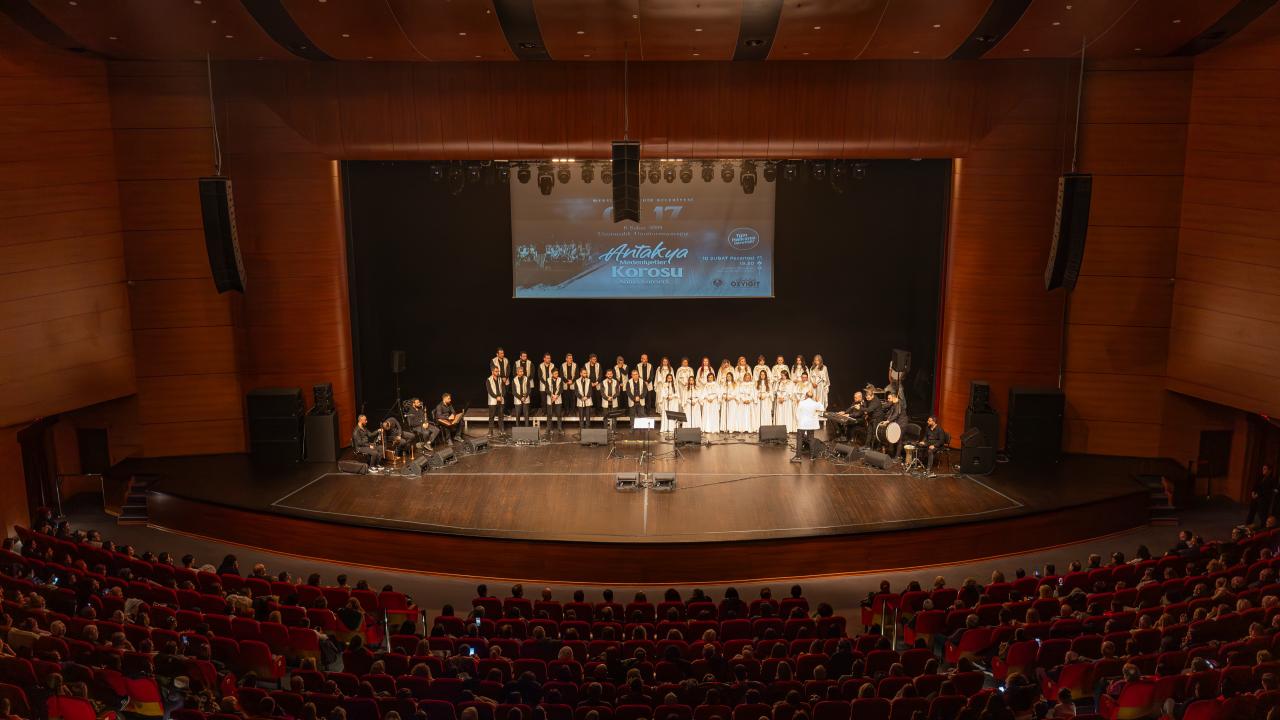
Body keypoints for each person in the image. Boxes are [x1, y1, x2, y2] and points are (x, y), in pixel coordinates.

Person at [793, 390, 824, 463]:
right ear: (812, 397)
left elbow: (797, 413)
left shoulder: (801, 402)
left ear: (806, 396)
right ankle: (812, 456)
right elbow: (822, 409)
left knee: (799, 439)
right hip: (811, 424)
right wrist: (818, 401)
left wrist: (798, 421)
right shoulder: (815, 403)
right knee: (811, 439)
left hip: (802, 424)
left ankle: (798, 457)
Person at [485, 367, 506, 435]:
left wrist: (502, 396)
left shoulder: (500, 379)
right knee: (491, 416)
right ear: (492, 372)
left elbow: (503, 388)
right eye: (496, 371)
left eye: (498, 371)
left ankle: (501, 430)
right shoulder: (489, 380)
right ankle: (490, 431)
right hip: (493, 400)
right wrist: (496, 397)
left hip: (500, 399)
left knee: (501, 415)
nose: (497, 373)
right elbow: (489, 391)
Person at [545, 369, 565, 434]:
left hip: (557, 399)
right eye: (555, 373)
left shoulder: (560, 379)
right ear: (552, 374)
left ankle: (560, 429)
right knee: (549, 414)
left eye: (557, 373)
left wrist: (556, 396)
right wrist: (552, 395)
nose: (557, 375)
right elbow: (547, 389)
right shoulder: (548, 380)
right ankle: (549, 428)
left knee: (559, 414)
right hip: (550, 399)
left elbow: (561, 389)